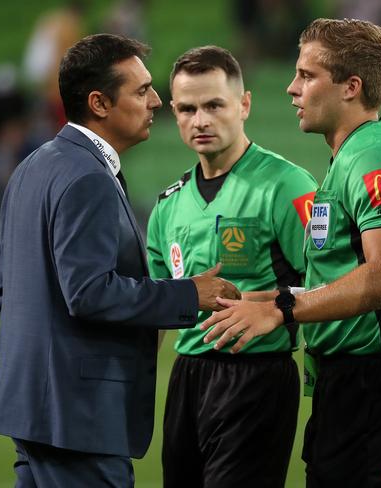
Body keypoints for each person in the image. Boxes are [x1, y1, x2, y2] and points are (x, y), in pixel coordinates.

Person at [0, 34, 240, 487]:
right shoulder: (88, 178)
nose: (157, 101)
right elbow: (89, 292)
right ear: (100, 103)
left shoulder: (33, 166)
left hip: (32, 410)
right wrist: (189, 294)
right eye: (141, 91)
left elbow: (6, 288)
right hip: (79, 418)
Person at [201, 18, 381, 487]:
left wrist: (284, 309)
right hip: (351, 382)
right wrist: (266, 299)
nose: (291, 88)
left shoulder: (375, 155)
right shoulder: (351, 153)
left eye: (307, 76)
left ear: (351, 87)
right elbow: (350, 271)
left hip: (376, 381)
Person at [147, 45, 318, 488]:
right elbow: (155, 303)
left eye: (213, 105)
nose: (200, 120)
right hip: (187, 376)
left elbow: (326, 282)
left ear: (244, 105)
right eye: (187, 108)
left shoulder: (287, 185)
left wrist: (263, 305)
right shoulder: (168, 206)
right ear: (174, 112)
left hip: (257, 378)